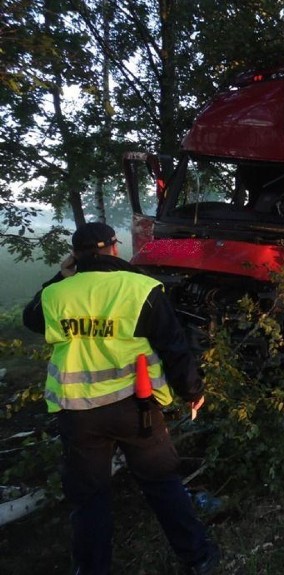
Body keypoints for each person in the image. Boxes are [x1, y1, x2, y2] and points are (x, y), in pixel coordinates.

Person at [22, 222, 220, 575]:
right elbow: (174, 347)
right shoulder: (141, 288)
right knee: (162, 482)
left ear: (76, 255)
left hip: (78, 413)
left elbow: (31, 318)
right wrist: (193, 392)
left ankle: (91, 569)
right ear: (114, 248)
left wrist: (60, 276)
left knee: (89, 497)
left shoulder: (57, 295)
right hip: (136, 409)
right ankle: (199, 558)